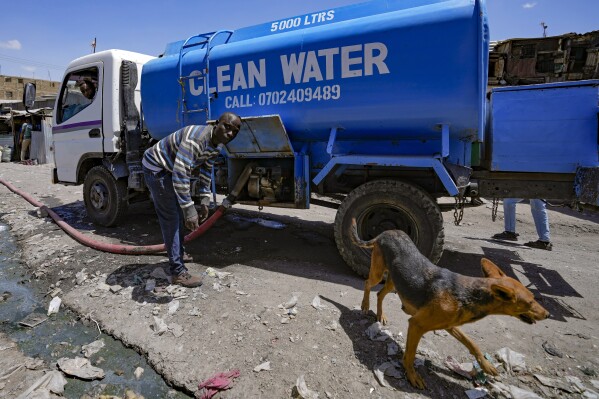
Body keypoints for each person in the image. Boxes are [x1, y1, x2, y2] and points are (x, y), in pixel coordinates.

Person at [142, 112, 242, 287]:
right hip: (157, 168)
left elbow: (205, 170)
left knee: (178, 214)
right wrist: (189, 210)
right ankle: (178, 272)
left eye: (235, 131)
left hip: (171, 168)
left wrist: (204, 200)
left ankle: (177, 254)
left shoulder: (217, 145)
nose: (230, 134)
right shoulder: (197, 139)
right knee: (172, 217)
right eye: (227, 127)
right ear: (216, 124)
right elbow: (181, 174)